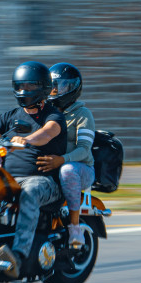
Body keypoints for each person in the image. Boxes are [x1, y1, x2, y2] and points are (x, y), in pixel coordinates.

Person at [0, 61, 67, 279]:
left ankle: (17, 256)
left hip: (45, 182)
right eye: (21, 86)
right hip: (9, 179)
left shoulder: (54, 116)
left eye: (30, 87)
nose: (24, 91)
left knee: (30, 192)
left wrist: (27, 140)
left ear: (43, 88)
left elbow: (46, 134)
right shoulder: (10, 116)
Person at [37, 62, 96, 248]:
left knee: (67, 170)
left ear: (73, 88)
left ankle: (75, 227)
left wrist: (62, 160)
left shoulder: (82, 114)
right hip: (52, 166)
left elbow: (84, 150)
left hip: (81, 169)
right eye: (53, 85)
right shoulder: (45, 112)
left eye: (61, 85)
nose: (55, 90)